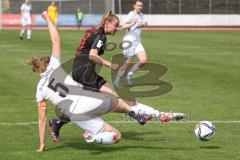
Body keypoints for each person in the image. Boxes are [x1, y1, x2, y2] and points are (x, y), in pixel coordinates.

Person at [29, 11, 185, 149]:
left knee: (111, 98)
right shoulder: (100, 34)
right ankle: (140, 114)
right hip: (84, 73)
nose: (116, 29)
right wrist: (111, 64)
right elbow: (92, 55)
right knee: (115, 99)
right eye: (115, 26)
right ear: (107, 23)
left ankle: (58, 122)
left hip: (81, 71)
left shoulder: (95, 30)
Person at [114, 0, 148, 87]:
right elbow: (124, 26)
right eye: (138, 5)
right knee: (127, 63)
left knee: (143, 60)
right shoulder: (131, 14)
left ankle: (129, 74)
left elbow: (138, 26)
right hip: (129, 42)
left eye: (141, 6)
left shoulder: (141, 15)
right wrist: (132, 24)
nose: (140, 7)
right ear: (134, 6)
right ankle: (117, 81)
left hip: (137, 42)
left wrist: (143, 25)